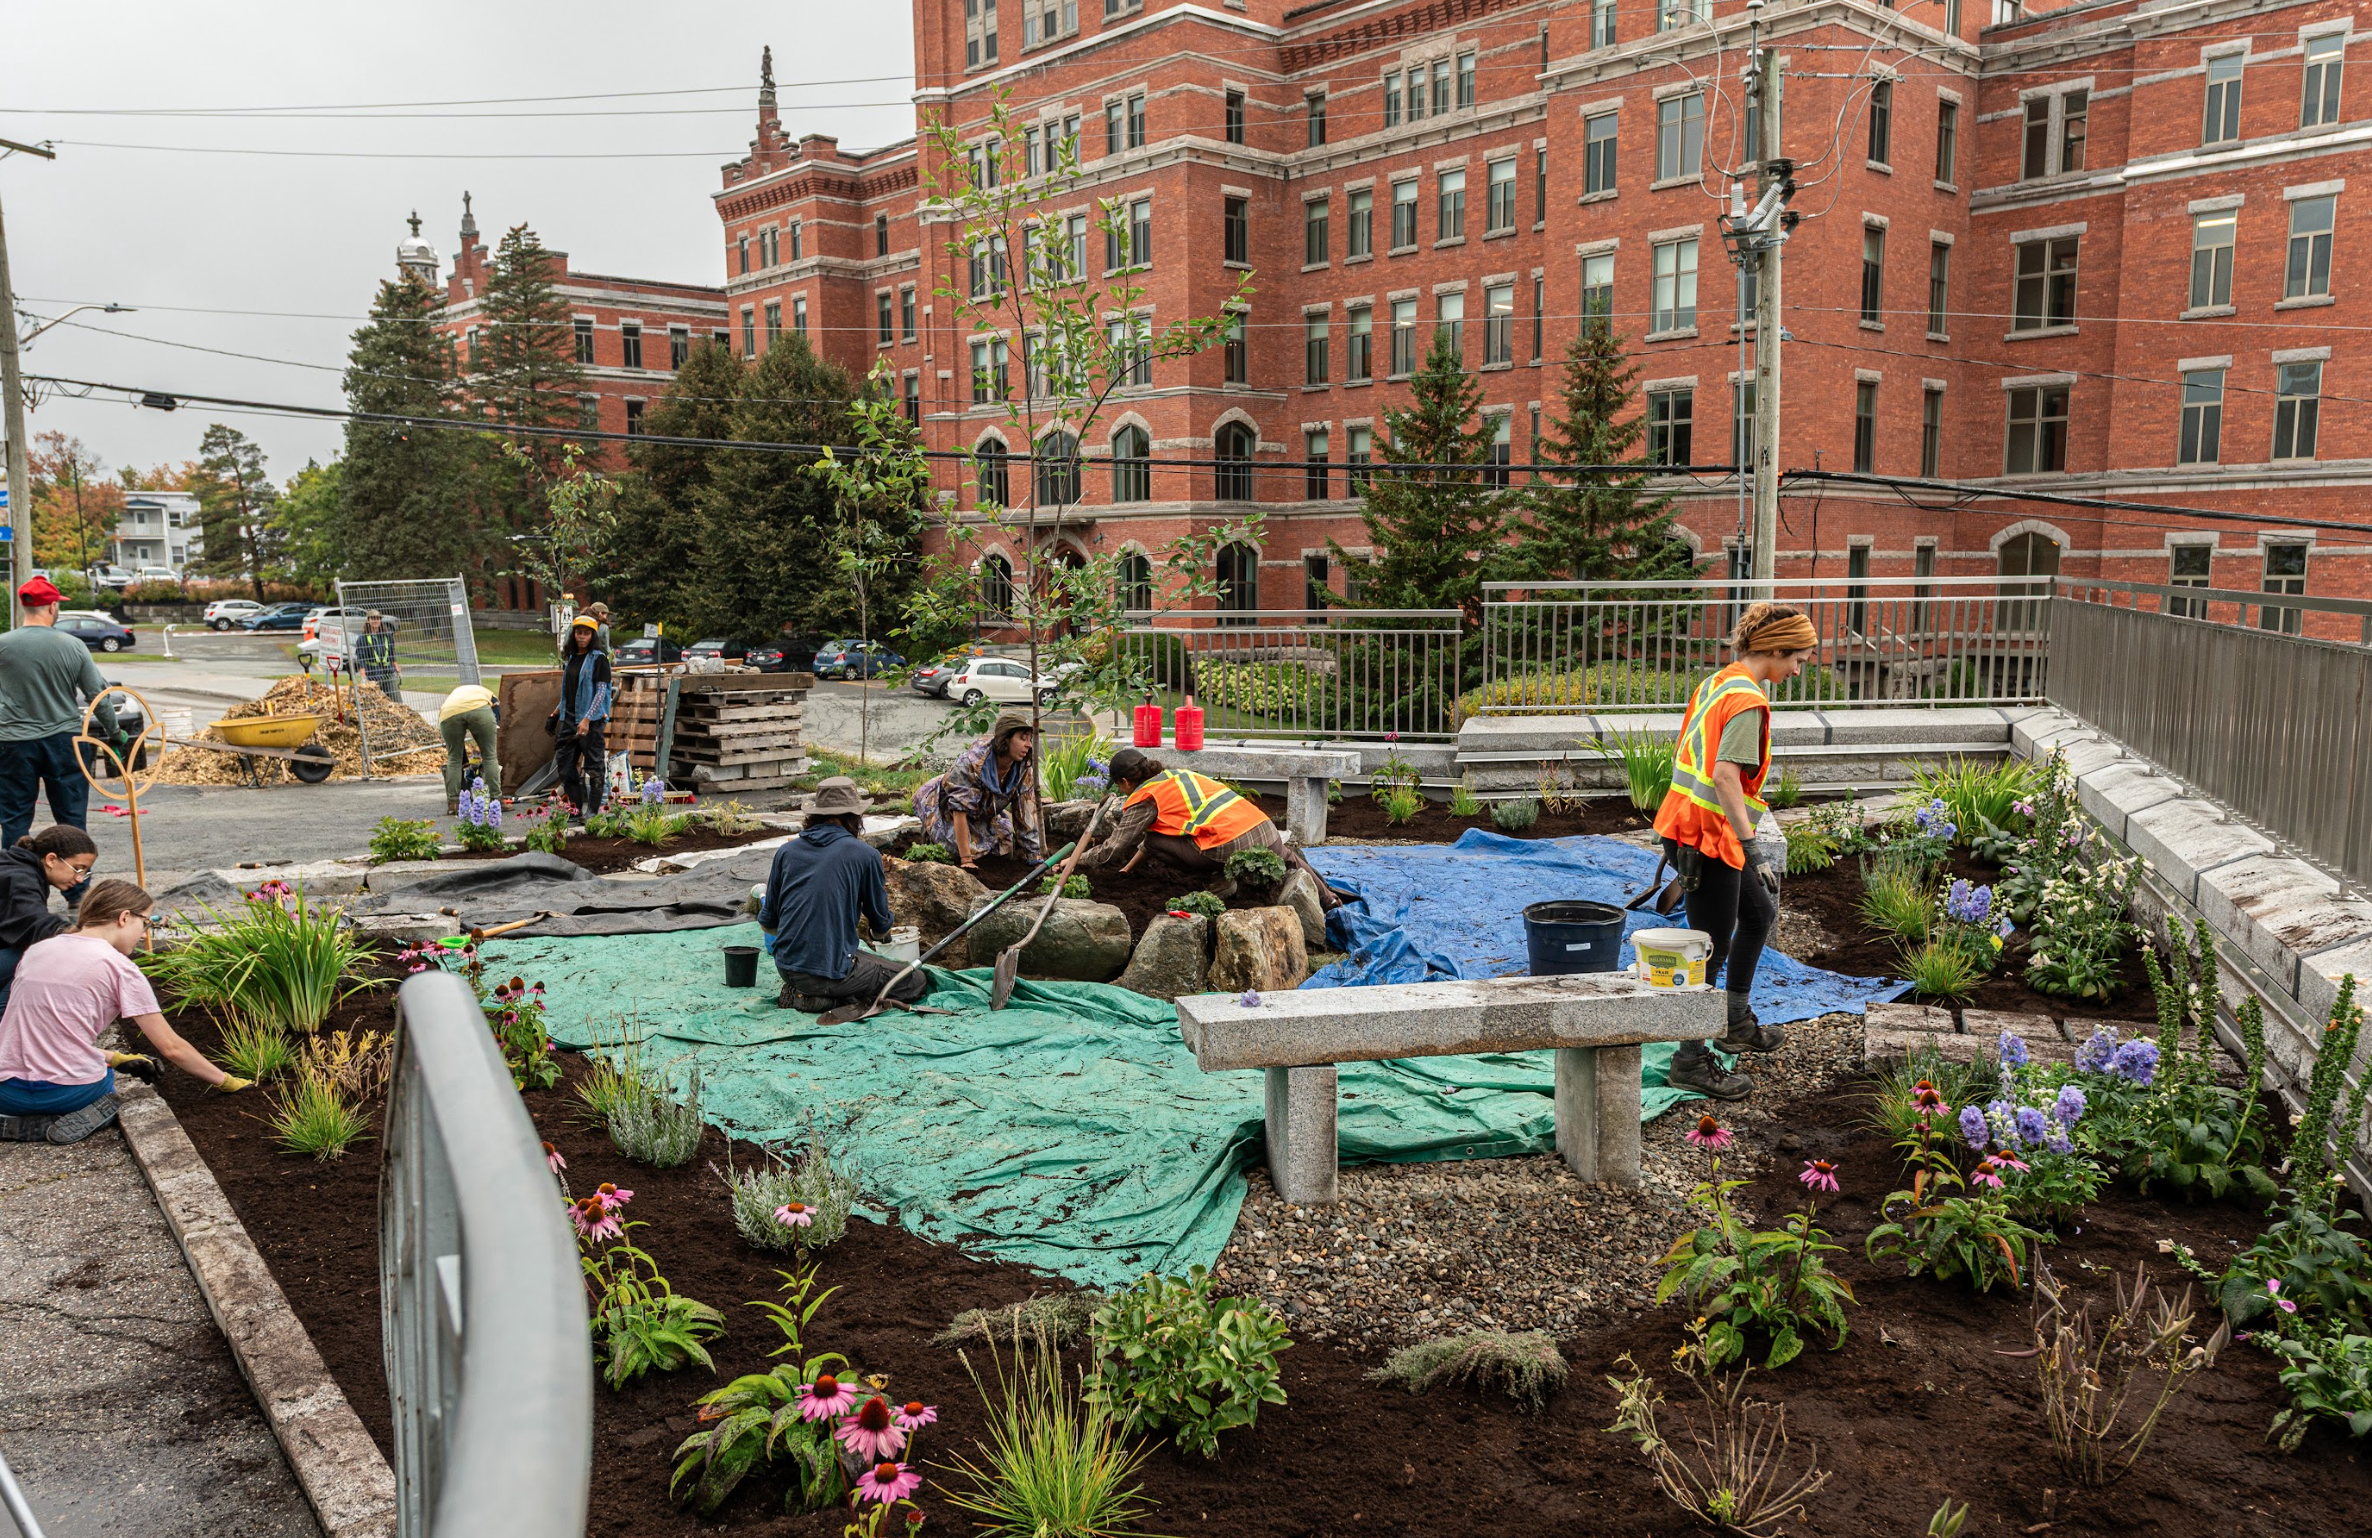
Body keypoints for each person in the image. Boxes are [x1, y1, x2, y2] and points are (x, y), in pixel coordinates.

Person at [1649, 600, 1820, 1101]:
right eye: (1798, 660)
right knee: (1709, 948)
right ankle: (1689, 1061)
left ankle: (1734, 1022)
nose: (1797, 671)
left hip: (1698, 827)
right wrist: (1754, 848)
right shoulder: (1747, 702)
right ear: (1776, 649)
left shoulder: (1719, 682)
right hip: (1704, 835)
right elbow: (1724, 777)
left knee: (1760, 912)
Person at [0, 879, 249, 1144]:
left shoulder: (37, 950)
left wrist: (118, 1058)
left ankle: (19, 1121)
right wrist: (227, 1081)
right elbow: (172, 1048)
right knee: (107, 1084)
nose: (144, 935)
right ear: (124, 917)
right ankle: (88, 1117)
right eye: (145, 923)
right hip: (71, 1093)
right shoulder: (119, 968)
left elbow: (47, 1039)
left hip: (7, 1093)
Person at [1075, 748, 1345, 910]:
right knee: (1288, 857)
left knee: (1157, 839)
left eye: (1118, 785)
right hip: (1263, 827)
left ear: (1125, 781)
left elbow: (1115, 848)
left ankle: (1221, 880)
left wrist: (1076, 860)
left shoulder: (1145, 797)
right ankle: (1330, 900)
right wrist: (1128, 869)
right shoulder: (1175, 776)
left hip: (1228, 843)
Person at [759, 778, 926, 1013]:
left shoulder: (786, 851)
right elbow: (879, 925)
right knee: (913, 980)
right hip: (827, 974)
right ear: (854, 817)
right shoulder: (865, 855)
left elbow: (768, 925)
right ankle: (827, 1000)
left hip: (785, 967)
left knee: (858, 959)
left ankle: (808, 990)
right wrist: (881, 936)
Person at [0, 576, 120, 853]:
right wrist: (115, 733)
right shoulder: (72, 645)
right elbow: (98, 696)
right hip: (64, 743)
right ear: (52, 607)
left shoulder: (3, 645)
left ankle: (15, 879)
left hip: (13, 744)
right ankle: (78, 880)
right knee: (71, 821)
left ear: (24, 606)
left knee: (15, 821)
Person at [911, 710, 1043, 869]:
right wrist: (966, 860)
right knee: (954, 849)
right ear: (1005, 739)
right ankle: (931, 836)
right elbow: (959, 810)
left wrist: (1035, 857)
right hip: (943, 806)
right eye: (1022, 738)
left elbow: (1025, 812)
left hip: (980, 811)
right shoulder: (971, 763)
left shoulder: (1022, 768)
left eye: (1030, 739)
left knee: (1004, 849)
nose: (1029, 744)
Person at [0, 826, 97, 1012]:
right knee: (37, 955)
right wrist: (86, 936)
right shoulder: (19, 878)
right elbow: (35, 922)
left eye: (85, 872)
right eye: (78, 869)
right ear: (51, 859)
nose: (80, 879)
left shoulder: (19, 867)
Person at [550, 615, 612, 819]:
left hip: (591, 722)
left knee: (594, 767)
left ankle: (592, 811)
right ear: (573, 635)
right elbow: (569, 693)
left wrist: (587, 719)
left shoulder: (599, 659)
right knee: (565, 766)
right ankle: (575, 809)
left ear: (593, 636)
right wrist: (555, 714)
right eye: (578, 633)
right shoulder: (571, 659)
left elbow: (601, 692)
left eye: (586, 633)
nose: (582, 637)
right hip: (569, 720)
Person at [439, 683, 500, 814]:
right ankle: (497, 799)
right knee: (489, 756)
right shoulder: (490, 696)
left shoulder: (454, 696)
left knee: (454, 759)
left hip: (449, 714)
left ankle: (453, 804)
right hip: (479, 711)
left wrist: (464, 757)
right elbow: (496, 717)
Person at [352, 610, 401, 699]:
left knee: (396, 700)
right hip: (373, 674)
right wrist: (363, 676)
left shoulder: (387, 635)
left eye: (378, 618)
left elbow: (391, 652)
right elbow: (361, 658)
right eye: (373, 618)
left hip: (388, 672)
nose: (376, 621)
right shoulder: (362, 638)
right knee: (376, 701)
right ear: (368, 620)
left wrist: (396, 666)